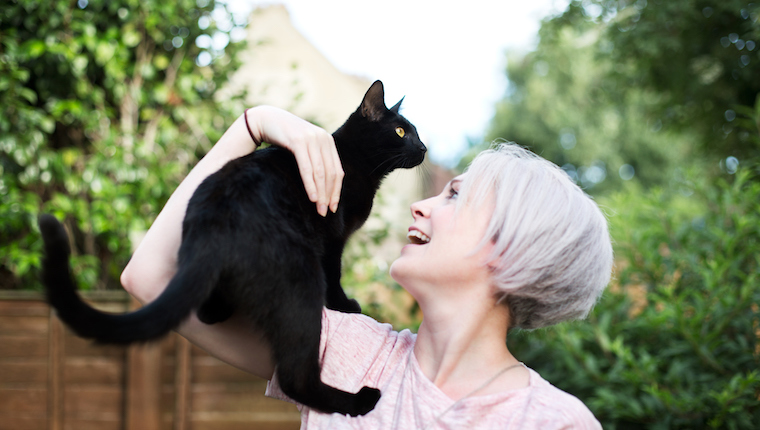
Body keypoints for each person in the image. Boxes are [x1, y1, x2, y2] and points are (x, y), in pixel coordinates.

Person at [121, 106, 612, 429]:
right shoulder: (351, 353)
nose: (420, 206)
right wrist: (254, 125)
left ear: (512, 250)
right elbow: (149, 279)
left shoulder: (552, 421)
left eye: (455, 195)